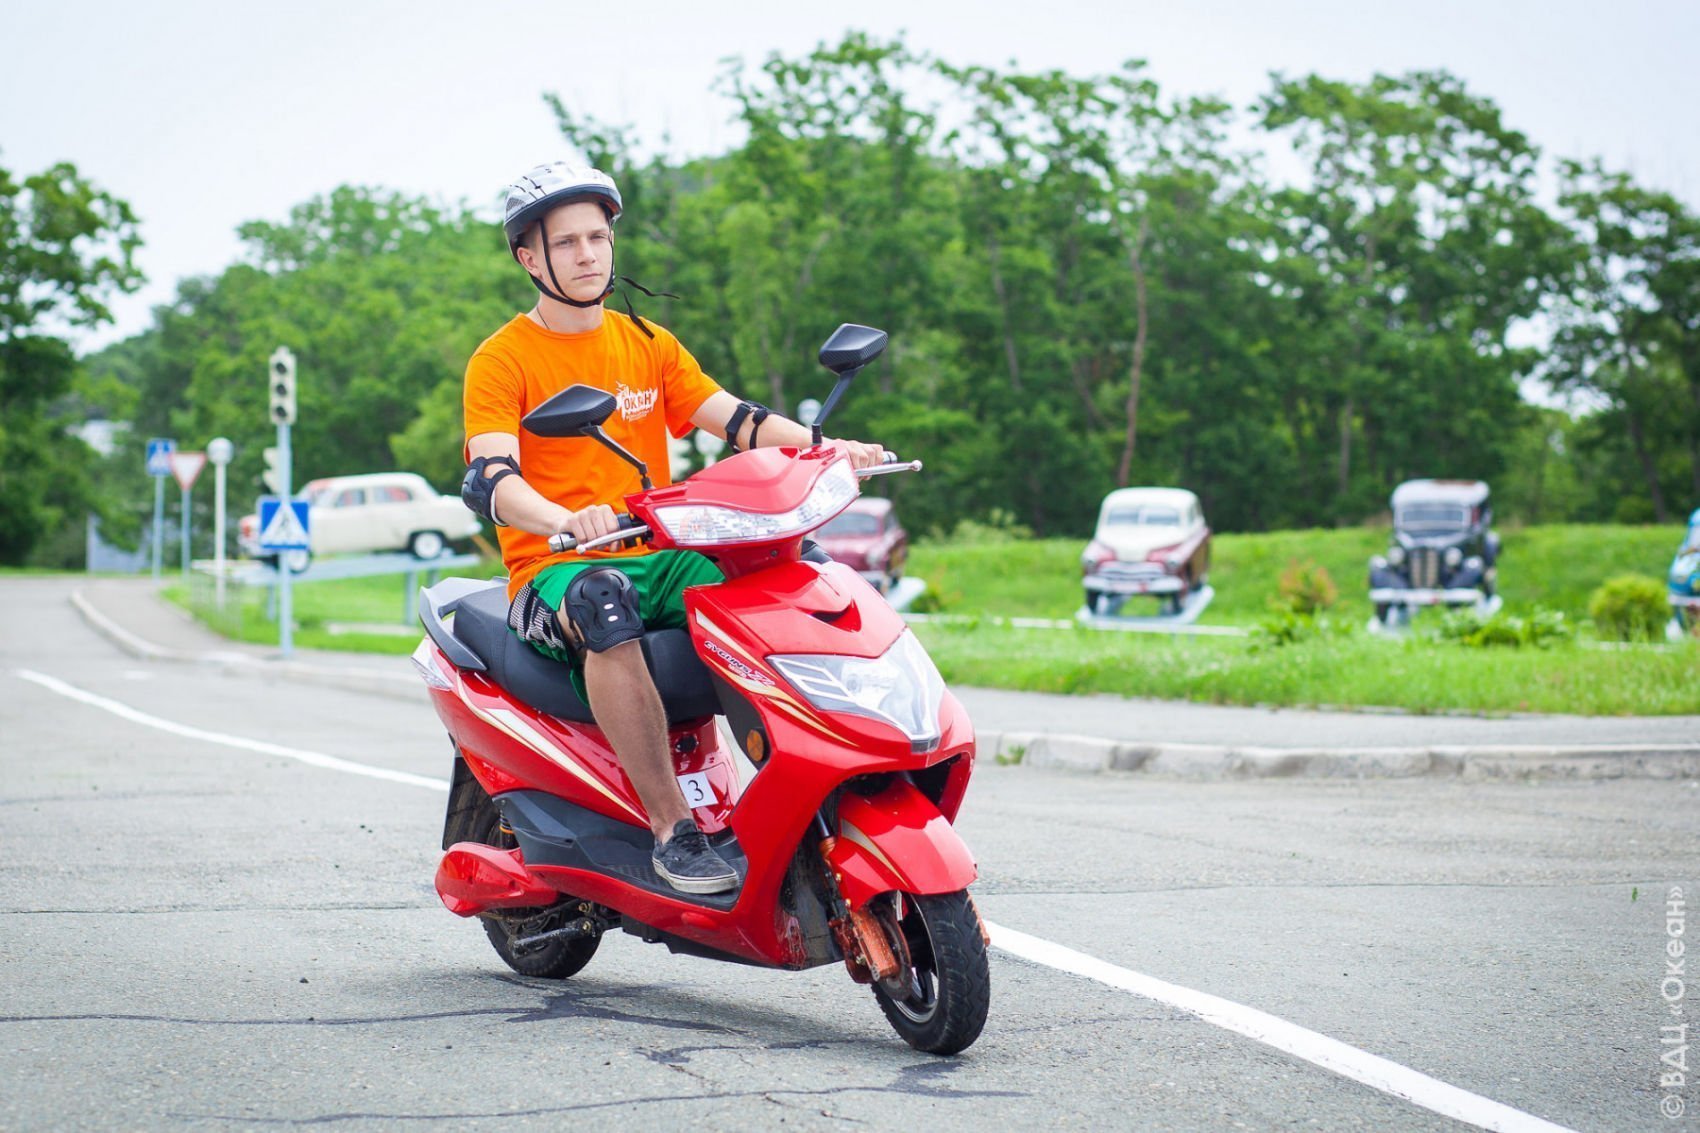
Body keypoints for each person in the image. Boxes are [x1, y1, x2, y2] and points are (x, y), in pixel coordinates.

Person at [461, 161, 885, 896]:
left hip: (659, 554)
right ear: (530, 258)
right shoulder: (502, 359)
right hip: (560, 568)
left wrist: (830, 450)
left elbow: (740, 420)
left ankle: (819, 784)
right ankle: (673, 831)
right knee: (603, 600)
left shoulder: (647, 342)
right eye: (566, 243)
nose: (589, 254)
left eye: (598, 237)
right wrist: (565, 520)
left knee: (789, 572)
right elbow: (492, 478)